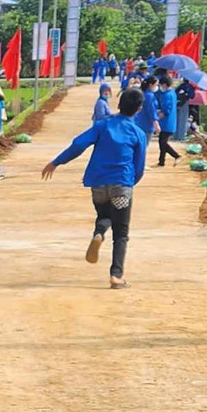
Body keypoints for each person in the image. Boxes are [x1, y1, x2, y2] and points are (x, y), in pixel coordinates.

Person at [41, 86, 147, 290]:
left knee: (104, 214)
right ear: (139, 108)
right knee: (121, 232)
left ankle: (99, 232)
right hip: (121, 183)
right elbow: (139, 166)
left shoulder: (102, 126)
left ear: (119, 104)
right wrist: (130, 183)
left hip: (98, 182)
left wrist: (56, 162)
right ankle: (116, 276)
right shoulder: (138, 133)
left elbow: (78, 145)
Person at [156, 75, 182, 166]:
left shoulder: (167, 95)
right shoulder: (172, 93)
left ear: (164, 85)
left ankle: (176, 156)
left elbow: (166, 110)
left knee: (162, 142)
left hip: (166, 122)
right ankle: (161, 161)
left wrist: (157, 118)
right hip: (169, 122)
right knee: (162, 142)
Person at [139, 76, 160, 148]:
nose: (157, 86)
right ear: (151, 85)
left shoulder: (143, 93)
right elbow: (151, 111)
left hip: (139, 121)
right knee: (144, 146)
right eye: (156, 84)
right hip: (147, 123)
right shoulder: (150, 96)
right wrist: (156, 124)